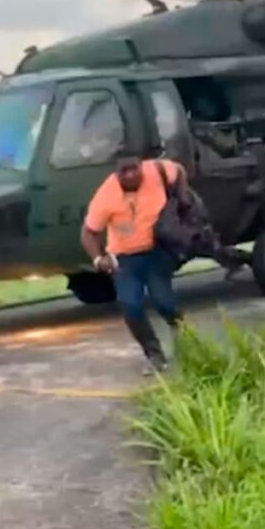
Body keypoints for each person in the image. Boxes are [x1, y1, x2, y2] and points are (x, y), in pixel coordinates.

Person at [81, 152, 187, 374]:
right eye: (124, 171)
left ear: (141, 166)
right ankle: (154, 354)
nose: (130, 175)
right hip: (124, 260)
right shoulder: (106, 196)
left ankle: (185, 338)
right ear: (115, 173)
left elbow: (179, 170)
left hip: (157, 252)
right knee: (131, 307)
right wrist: (98, 259)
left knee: (164, 302)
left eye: (134, 168)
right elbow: (88, 233)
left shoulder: (156, 170)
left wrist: (182, 198)